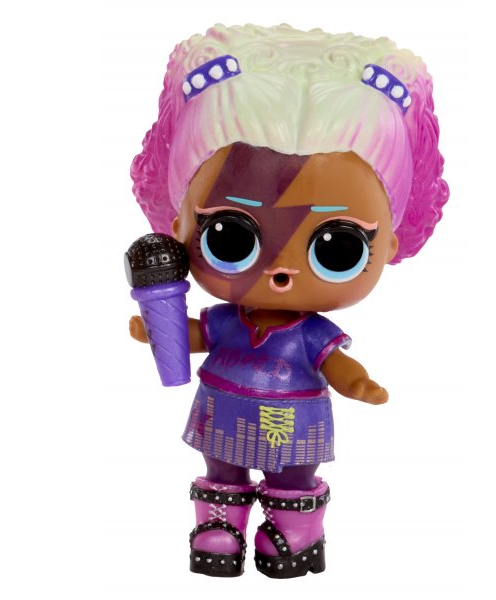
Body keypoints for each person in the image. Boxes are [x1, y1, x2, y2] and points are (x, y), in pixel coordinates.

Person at [127, 23, 448, 578]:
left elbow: (335, 361)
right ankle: (219, 524)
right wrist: (163, 329)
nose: (280, 272)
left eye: (338, 247)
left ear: (391, 244)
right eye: (230, 237)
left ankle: (294, 530)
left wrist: (356, 381)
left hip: (293, 422)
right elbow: (202, 335)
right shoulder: (230, 319)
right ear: (177, 226)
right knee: (221, 468)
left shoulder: (308, 334)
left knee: (294, 475)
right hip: (224, 411)